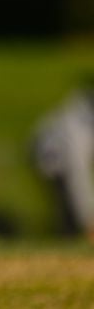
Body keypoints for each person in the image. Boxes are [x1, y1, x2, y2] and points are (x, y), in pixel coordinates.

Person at [31, 83, 94, 241]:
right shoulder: (79, 129)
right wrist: (88, 219)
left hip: (58, 156)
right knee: (67, 209)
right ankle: (69, 237)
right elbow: (78, 175)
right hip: (52, 162)